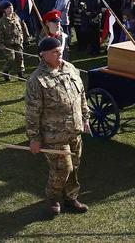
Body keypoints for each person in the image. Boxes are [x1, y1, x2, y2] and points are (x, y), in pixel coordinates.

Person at [26, 37, 90, 215]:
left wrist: (85, 117)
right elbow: (32, 112)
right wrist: (34, 139)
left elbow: (81, 95)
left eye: (60, 51)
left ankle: (71, 198)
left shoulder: (69, 68)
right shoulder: (36, 80)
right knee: (63, 169)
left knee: (74, 167)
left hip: (74, 130)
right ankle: (52, 197)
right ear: (43, 55)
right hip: (53, 134)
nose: (59, 54)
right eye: (55, 52)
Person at [0, 1, 29, 81]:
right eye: (8, 8)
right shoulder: (1, 21)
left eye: (11, 7)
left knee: (20, 57)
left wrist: (25, 37)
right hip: (8, 43)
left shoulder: (16, 17)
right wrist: (0, 44)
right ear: (4, 10)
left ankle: (21, 74)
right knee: (11, 58)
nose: (11, 9)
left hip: (18, 41)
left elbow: (22, 27)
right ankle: (6, 72)